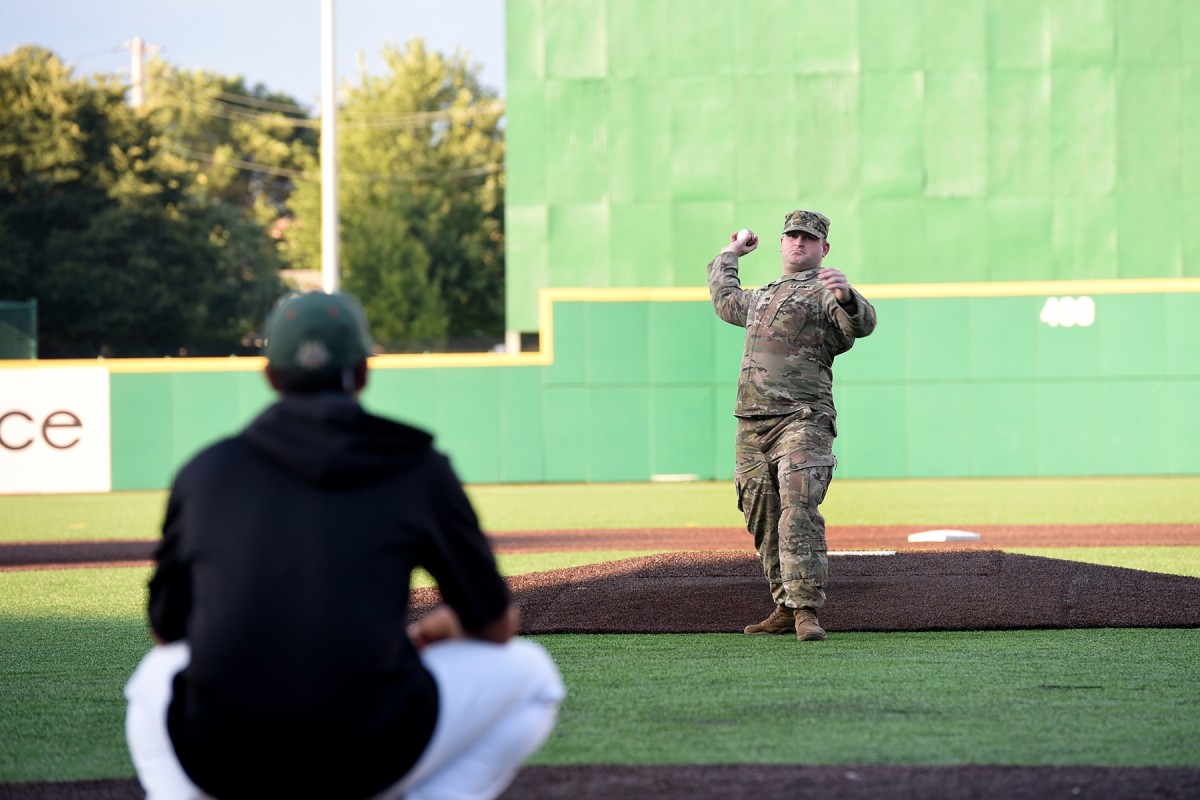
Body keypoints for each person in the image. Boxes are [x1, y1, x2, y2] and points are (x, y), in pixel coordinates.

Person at [124, 291, 564, 800]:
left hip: (222, 762)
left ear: (270, 376)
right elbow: (494, 626)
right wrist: (441, 626)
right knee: (533, 677)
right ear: (363, 372)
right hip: (370, 757)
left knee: (155, 676)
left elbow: (166, 629)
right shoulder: (416, 466)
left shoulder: (206, 472)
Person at [708, 210, 877, 641]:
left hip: (803, 419)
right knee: (760, 514)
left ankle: (806, 612)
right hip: (752, 424)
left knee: (798, 510)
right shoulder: (762, 297)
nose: (798, 242)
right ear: (781, 244)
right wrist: (731, 253)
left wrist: (846, 296)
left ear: (824, 248)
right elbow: (725, 299)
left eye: (808, 237)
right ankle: (784, 605)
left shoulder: (824, 291)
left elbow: (860, 325)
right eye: (792, 236)